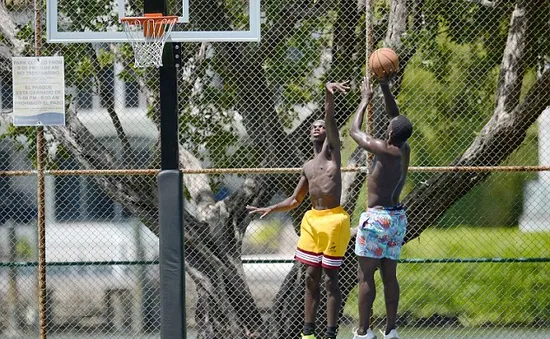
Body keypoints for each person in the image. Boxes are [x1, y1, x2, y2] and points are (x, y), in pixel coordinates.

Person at [247, 81, 352, 339]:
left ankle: (329, 331)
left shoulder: (332, 155)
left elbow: (330, 120)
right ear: (309, 135)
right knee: (309, 277)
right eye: (313, 127)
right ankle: (308, 332)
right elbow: (295, 199)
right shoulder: (307, 166)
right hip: (313, 221)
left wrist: (328, 95)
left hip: (333, 220)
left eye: (321, 127)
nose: (318, 128)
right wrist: (270, 208)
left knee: (330, 280)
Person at [349, 75, 412, 339]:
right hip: (397, 219)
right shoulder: (403, 148)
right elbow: (396, 120)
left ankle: (364, 332)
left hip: (376, 221)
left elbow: (354, 132)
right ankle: (391, 329)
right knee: (390, 277)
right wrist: (385, 88)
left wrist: (364, 102)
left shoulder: (382, 148)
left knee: (366, 278)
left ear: (388, 133)